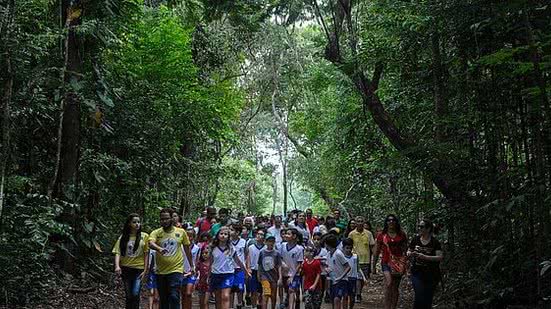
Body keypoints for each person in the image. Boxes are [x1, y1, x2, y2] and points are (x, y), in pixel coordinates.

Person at [148, 208, 194, 309]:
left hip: (176, 270)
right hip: (161, 271)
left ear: (171, 219)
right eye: (162, 219)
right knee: (163, 299)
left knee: (174, 296)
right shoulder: (156, 232)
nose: (164, 221)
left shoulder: (181, 232)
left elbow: (187, 250)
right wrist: (159, 249)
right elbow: (150, 243)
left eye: (167, 218)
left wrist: (192, 266)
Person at [113, 214, 149, 309]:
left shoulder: (144, 236)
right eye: (134, 222)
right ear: (129, 224)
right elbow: (118, 252)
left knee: (135, 293)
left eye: (138, 222)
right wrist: (117, 266)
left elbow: (146, 254)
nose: (137, 224)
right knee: (129, 295)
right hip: (126, 268)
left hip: (139, 269)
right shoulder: (123, 237)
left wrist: (145, 270)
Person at [373, 214, 408, 309]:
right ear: (386, 222)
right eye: (389, 220)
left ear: (396, 222)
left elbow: (405, 249)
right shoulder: (382, 235)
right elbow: (376, 251)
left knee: (395, 287)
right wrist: (373, 266)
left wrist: (406, 263)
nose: (391, 222)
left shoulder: (401, 234)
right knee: (389, 284)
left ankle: (393, 307)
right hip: (386, 262)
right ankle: (387, 307)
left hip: (398, 263)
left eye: (393, 220)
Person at [210, 226, 250, 309]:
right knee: (218, 298)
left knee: (225, 296)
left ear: (228, 237)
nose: (223, 236)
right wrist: (208, 275)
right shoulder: (213, 248)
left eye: (225, 234)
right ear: (218, 235)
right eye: (221, 234)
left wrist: (246, 271)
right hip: (216, 274)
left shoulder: (231, 248)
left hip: (228, 274)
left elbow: (238, 261)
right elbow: (210, 262)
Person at [407, 219, 443, 309]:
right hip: (417, 272)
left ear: (428, 229)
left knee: (428, 298)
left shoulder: (435, 242)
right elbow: (409, 250)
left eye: (422, 227)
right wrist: (409, 253)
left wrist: (425, 257)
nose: (419, 228)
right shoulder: (415, 239)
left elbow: (439, 257)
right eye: (419, 226)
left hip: (432, 273)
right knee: (419, 295)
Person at [348, 216, 375, 302]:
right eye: (358, 221)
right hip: (355, 259)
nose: (360, 223)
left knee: (364, 278)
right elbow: (348, 245)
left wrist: (374, 258)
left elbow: (372, 246)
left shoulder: (368, 233)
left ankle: (358, 292)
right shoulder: (351, 234)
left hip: (366, 259)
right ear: (355, 223)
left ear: (364, 223)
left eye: (361, 221)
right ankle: (358, 294)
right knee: (358, 278)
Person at [279, 228, 304, 309]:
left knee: (291, 290)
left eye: (288, 234)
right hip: (284, 273)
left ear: (294, 236)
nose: (286, 235)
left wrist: (292, 276)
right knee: (288, 291)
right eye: (286, 233)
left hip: (294, 274)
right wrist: (283, 264)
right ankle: (294, 303)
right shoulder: (282, 246)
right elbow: (280, 258)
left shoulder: (299, 248)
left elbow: (299, 263)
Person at [326, 234, 350, 309]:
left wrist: (341, 277)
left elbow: (348, 267)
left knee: (337, 298)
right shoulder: (328, 254)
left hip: (341, 280)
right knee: (333, 299)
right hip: (333, 280)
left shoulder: (338, 253)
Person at [257, 233, 282, 309]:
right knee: (266, 294)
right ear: (265, 242)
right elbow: (260, 264)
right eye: (269, 241)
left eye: (272, 241)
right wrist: (259, 275)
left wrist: (280, 277)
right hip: (265, 277)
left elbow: (279, 265)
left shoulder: (277, 253)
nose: (271, 243)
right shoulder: (262, 252)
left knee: (273, 295)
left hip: (274, 277)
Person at [342, 238, 365, 309]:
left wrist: (363, 277)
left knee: (352, 297)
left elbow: (358, 268)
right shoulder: (341, 256)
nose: (349, 250)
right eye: (347, 248)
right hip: (344, 279)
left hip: (353, 278)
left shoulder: (355, 257)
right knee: (345, 296)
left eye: (350, 248)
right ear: (343, 248)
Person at [246, 228, 266, 309]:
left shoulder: (265, 248)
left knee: (261, 291)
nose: (259, 236)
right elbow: (248, 258)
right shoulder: (251, 247)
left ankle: (260, 304)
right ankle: (253, 306)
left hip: (263, 272)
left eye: (261, 234)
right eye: (258, 234)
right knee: (253, 291)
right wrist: (248, 268)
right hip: (253, 271)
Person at [181, 227, 200, 309]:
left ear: (194, 237)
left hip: (191, 272)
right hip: (181, 272)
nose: (189, 238)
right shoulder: (181, 247)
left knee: (188, 293)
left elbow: (196, 260)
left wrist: (195, 271)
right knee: (183, 294)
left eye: (191, 236)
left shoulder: (197, 248)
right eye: (187, 236)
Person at [230, 223, 247, 309]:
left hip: (240, 268)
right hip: (230, 268)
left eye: (232, 230)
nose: (229, 231)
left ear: (237, 232)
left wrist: (247, 268)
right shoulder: (228, 242)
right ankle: (230, 305)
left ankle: (240, 303)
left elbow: (247, 254)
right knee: (231, 288)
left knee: (240, 287)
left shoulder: (243, 242)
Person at [195, 243, 211, 309]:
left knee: (205, 302)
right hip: (201, 285)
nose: (204, 255)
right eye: (203, 253)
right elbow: (196, 272)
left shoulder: (212, 263)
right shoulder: (200, 263)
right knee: (201, 303)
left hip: (209, 285)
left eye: (206, 253)